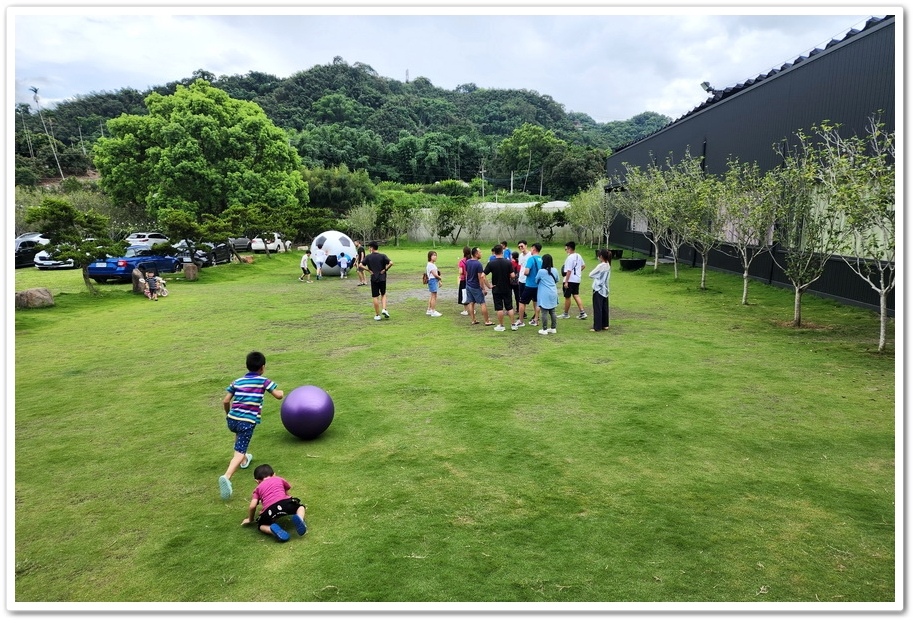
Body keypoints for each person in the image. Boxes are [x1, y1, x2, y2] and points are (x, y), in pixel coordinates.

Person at [219, 351, 284, 500]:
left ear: (247, 366)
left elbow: (225, 401)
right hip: (247, 422)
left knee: (239, 437)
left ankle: (244, 460)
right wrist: (282, 392)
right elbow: (278, 395)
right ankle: (227, 476)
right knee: (239, 451)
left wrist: (228, 414)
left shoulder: (237, 381)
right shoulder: (263, 381)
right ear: (262, 367)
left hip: (232, 419)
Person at [241, 464, 308, 542]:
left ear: (257, 481)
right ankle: (299, 518)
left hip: (269, 511)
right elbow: (287, 493)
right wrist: (291, 502)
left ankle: (272, 529)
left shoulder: (257, 489)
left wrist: (250, 519)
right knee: (300, 507)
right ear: (274, 475)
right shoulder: (278, 479)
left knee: (261, 525)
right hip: (285, 504)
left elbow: (252, 506)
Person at [483, 243, 517, 331]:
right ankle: (513, 324)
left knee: (499, 308)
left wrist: (488, 285)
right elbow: (513, 275)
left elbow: (483, 275)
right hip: (507, 288)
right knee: (509, 307)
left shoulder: (491, 263)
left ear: (494, 252)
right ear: (502, 251)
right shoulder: (508, 262)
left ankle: (501, 325)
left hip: (496, 288)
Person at [359, 241, 393, 321]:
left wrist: (368, 270)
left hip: (374, 278)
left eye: (369, 247)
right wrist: (385, 269)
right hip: (382, 278)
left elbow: (360, 265)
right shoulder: (383, 256)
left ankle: (377, 315)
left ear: (371, 248)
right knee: (383, 294)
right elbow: (391, 263)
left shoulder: (368, 257)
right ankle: (384, 309)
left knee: (375, 296)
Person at [513, 242, 542, 329]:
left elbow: (526, 272)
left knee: (522, 302)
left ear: (534, 249)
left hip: (529, 284)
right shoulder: (541, 259)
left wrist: (526, 273)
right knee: (536, 302)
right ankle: (536, 319)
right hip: (538, 285)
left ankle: (521, 321)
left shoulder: (531, 259)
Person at [463, 246, 492, 326]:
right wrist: (483, 288)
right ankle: (487, 321)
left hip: (468, 285)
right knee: (482, 303)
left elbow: (467, 273)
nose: (481, 253)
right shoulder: (478, 264)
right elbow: (480, 278)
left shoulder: (468, 262)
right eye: (480, 252)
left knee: (471, 302)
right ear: (476, 254)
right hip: (476, 286)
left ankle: (473, 320)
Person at [560, 241, 587, 320]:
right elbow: (583, 266)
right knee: (576, 295)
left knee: (567, 296)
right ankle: (582, 312)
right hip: (577, 279)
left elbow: (568, 271)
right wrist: (578, 272)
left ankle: (566, 313)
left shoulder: (569, 258)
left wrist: (566, 281)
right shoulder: (578, 256)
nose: (566, 251)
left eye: (566, 249)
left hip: (570, 280)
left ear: (569, 249)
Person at [536, 253, 560, 335]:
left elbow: (536, 280)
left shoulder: (541, 271)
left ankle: (544, 329)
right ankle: (553, 328)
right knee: (552, 311)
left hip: (544, 293)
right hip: (553, 292)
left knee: (544, 312)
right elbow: (557, 280)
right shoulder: (555, 270)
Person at [589, 249, 612, 332]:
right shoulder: (608, 264)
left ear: (601, 256)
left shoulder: (601, 266)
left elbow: (591, 274)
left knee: (597, 307)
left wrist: (597, 276)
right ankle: (605, 324)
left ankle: (597, 326)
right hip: (605, 289)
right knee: (604, 307)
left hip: (598, 289)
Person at [425, 250, 443, 317]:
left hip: (433, 280)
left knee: (432, 295)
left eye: (436, 255)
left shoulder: (432, 264)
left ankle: (429, 309)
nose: (435, 257)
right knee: (434, 296)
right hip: (432, 280)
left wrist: (439, 281)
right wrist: (440, 278)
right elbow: (435, 275)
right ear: (430, 256)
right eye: (433, 255)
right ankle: (433, 311)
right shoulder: (430, 265)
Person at [457, 246, 472, 317]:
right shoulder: (472, 260)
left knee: (464, 294)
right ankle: (472, 309)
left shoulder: (461, 261)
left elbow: (461, 272)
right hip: (471, 279)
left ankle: (466, 310)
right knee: (471, 294)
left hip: (464, 280)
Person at [510, 250, 522, 316]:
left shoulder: (511, 263)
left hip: (511, 282)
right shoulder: (519, 263)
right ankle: (518, 309)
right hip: (518, 282)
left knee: (509, 296)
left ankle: (510, 309)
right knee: (518, 296)